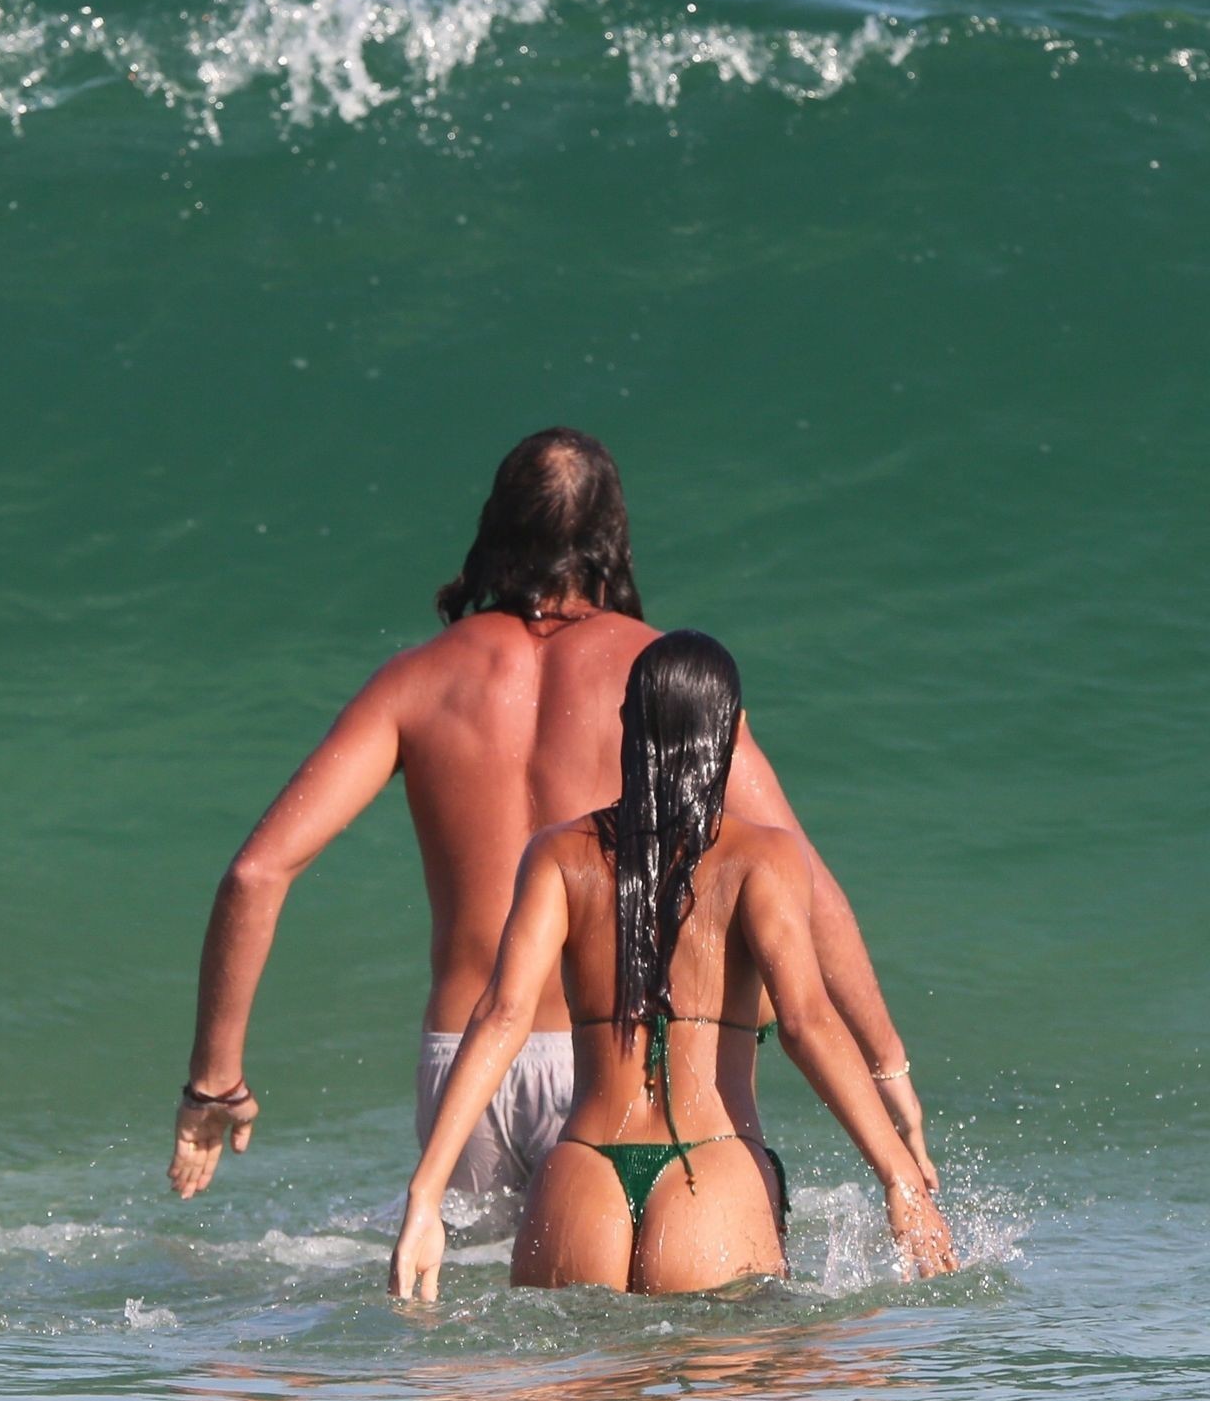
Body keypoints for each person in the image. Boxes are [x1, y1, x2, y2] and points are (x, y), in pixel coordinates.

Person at [169, 430, 938, 1203]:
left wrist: (214, 1082)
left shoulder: (415, 681)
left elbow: (256, 874)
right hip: (609, 1055)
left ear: (496, 529)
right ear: (613, 539)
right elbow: (801, 878)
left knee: (462, 1276)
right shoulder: (659, 679)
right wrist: (886, 1066)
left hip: (467, 1064)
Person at [389, 632, 957, 1298]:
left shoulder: (557, 855)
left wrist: (426, 1197)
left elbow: (502, 1014)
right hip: (709, 1177)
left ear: (627, 725)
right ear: (733, 731)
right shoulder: (764, 858)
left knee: (568, 1363)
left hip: (579, 1182)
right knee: (811, 1354)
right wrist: (900, 1178)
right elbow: (806, 1023)